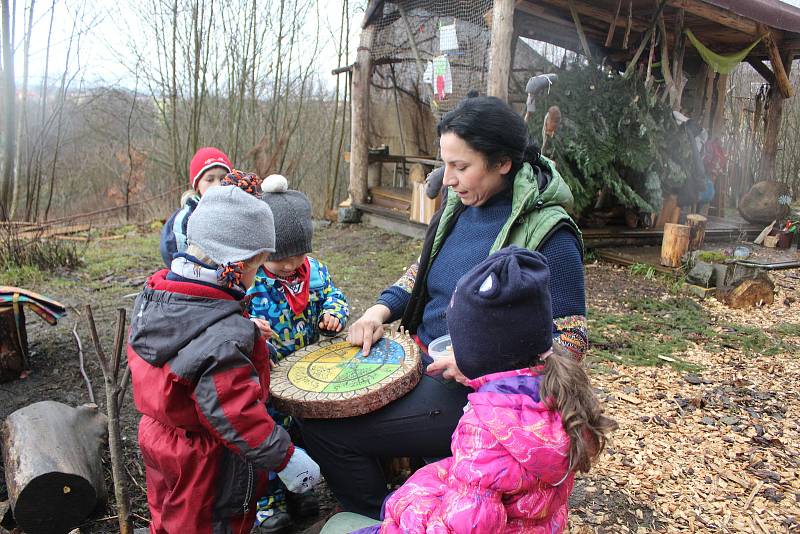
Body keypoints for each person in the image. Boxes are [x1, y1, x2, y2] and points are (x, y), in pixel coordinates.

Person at [298, 95, 589, 519]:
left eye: (461, 166)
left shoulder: (549, 234)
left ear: (502, 163)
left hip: (479, 392)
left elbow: (571, 339)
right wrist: (378, 311)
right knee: (318, 406)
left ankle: (383, 520)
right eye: (445, 164)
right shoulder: (461, 207)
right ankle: (406, 507)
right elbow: (424, 271)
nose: (447, 179)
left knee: (325, 430)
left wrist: (478, 361)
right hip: (419, 360)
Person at [353, 247, 615, 533]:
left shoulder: (484, 428)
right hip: (535, 522)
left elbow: (467, 526)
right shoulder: (559, 387)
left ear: (480, 353)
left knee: (398, 505)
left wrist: (400, 519)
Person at [128, 186, 321, 534]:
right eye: (258, 266)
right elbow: (236, 414)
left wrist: (241, 330)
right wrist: (286, 458)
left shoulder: (160, 296)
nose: (257, 277)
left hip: (161, 439)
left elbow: (191, 352)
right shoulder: (223, 337)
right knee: (213, 524)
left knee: (171, 515)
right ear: (238, 264)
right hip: (207, 462)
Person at [247, 175, 350, 533]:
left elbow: (336, 296)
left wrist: (334, 312)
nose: (290, 265)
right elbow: (227, 315)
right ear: (262, 252)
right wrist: (247, 327)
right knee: (271, 440)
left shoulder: (316, 272)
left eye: (297, 255)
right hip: (266, 380)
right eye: (280, 259)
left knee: (303, 436)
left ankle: (299, 491)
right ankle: (268, 504)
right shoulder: (251, 281)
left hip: (305, 376)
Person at [159, 147, 232, 267]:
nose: (218, 185)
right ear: (197, 185)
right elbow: (173, 252)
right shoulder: (186, 217)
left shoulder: (237, 213)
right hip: (194, 278)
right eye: (210, 179)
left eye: (223, 179)